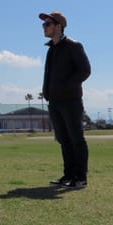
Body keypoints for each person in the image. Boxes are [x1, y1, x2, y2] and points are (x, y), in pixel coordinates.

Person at [39, 11, 91, 188]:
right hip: (54, 102)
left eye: (47, 24)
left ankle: (81, 177)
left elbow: (84, 71)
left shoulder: (73, 46)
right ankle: (68, 176)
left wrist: (67, 86)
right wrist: (47, 92)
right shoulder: (51, 50)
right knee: (63, 139)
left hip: (71, 100)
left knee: (76, 138)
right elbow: (48, 74)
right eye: (43, 25)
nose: (44, 28)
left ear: (58, 26)